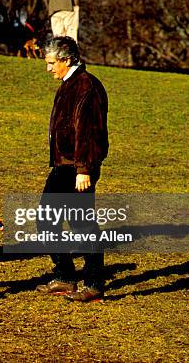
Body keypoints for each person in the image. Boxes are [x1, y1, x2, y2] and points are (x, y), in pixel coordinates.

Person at [36, 36, 109, 302]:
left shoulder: (86, 87)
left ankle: (93, 283)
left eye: (51, 63)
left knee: (82, 224)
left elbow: (90, 131)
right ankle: (66, 275)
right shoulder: (69, 84)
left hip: (77, 168)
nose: (48, 68)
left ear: (66, 60)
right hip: (65, 165)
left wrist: (84, 169)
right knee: (47, 219)